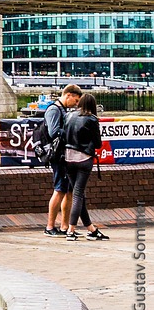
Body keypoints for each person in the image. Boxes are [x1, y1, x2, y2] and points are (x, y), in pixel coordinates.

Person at [63, 91, 108, 240]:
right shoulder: (92, 119)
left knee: (79, 195)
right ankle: (71, 230)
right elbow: (98, 143)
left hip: (68, 158)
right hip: (83, 159)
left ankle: (91, 229)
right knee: (78, 195)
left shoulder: (68, 115)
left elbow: (64, 136)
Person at [44, 84, 82, 236]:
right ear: (69, 95)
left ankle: (64, 226)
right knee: (59, 189)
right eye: (76, 100)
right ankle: (49, 226)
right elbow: (53, 132)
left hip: (65, 155)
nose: (77, 104)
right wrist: (72, 130)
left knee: (68, 191)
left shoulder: (63, 110)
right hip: (58, 156)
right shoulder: (54, 109)